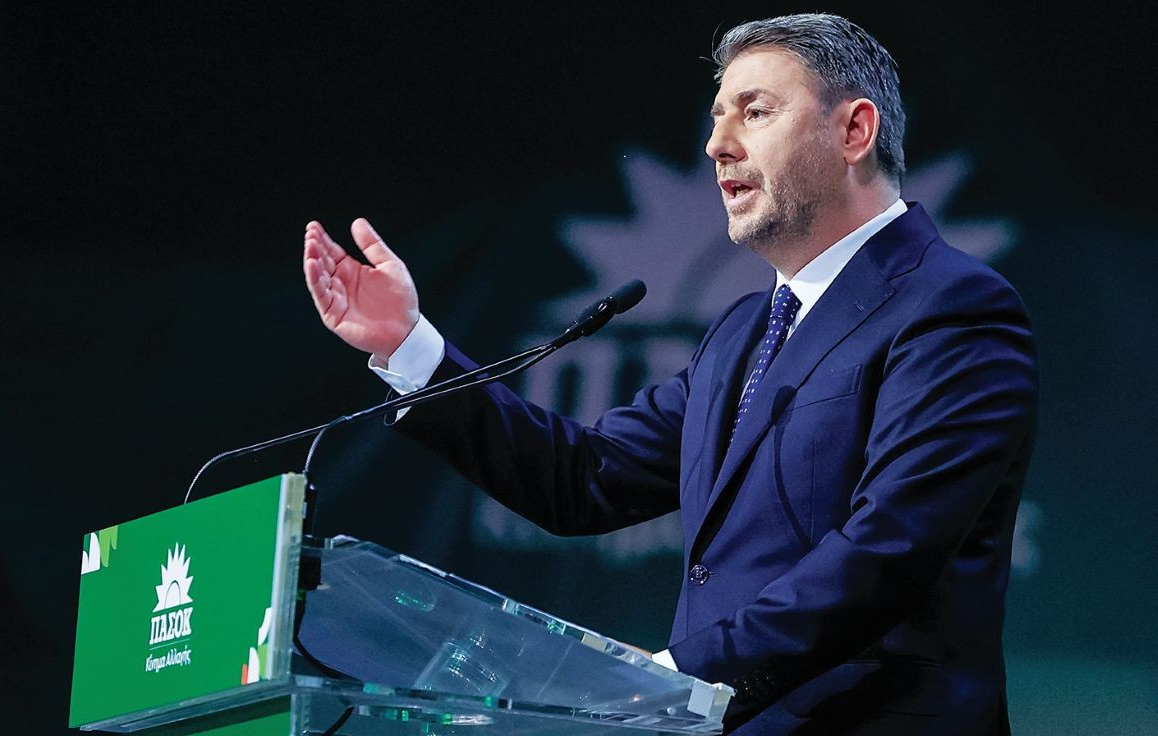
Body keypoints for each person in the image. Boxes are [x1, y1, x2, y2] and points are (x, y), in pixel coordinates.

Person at [302, 14, 1037, 736]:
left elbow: (889, 549)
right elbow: (582, 478)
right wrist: (411, 348)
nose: (718, 144)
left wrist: (678, 681)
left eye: (755, 112)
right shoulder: (742, 331)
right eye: (718, 117)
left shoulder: (951, 307)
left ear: (854, 131)